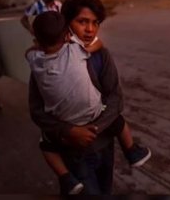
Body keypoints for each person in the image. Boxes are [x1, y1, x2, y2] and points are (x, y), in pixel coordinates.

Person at [27, 11, 151, 194]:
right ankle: (132, 151)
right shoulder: (77, 51)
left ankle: (65, 178)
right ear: (68, 31)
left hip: (104, 145)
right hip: (75, 151)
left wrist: (93, 128)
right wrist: (69, 131)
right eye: (82, 22)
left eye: (95, 23)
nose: (90, 30)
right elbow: (36, 111)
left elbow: (116, 98)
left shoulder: (37, 62)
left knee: (47, 145)